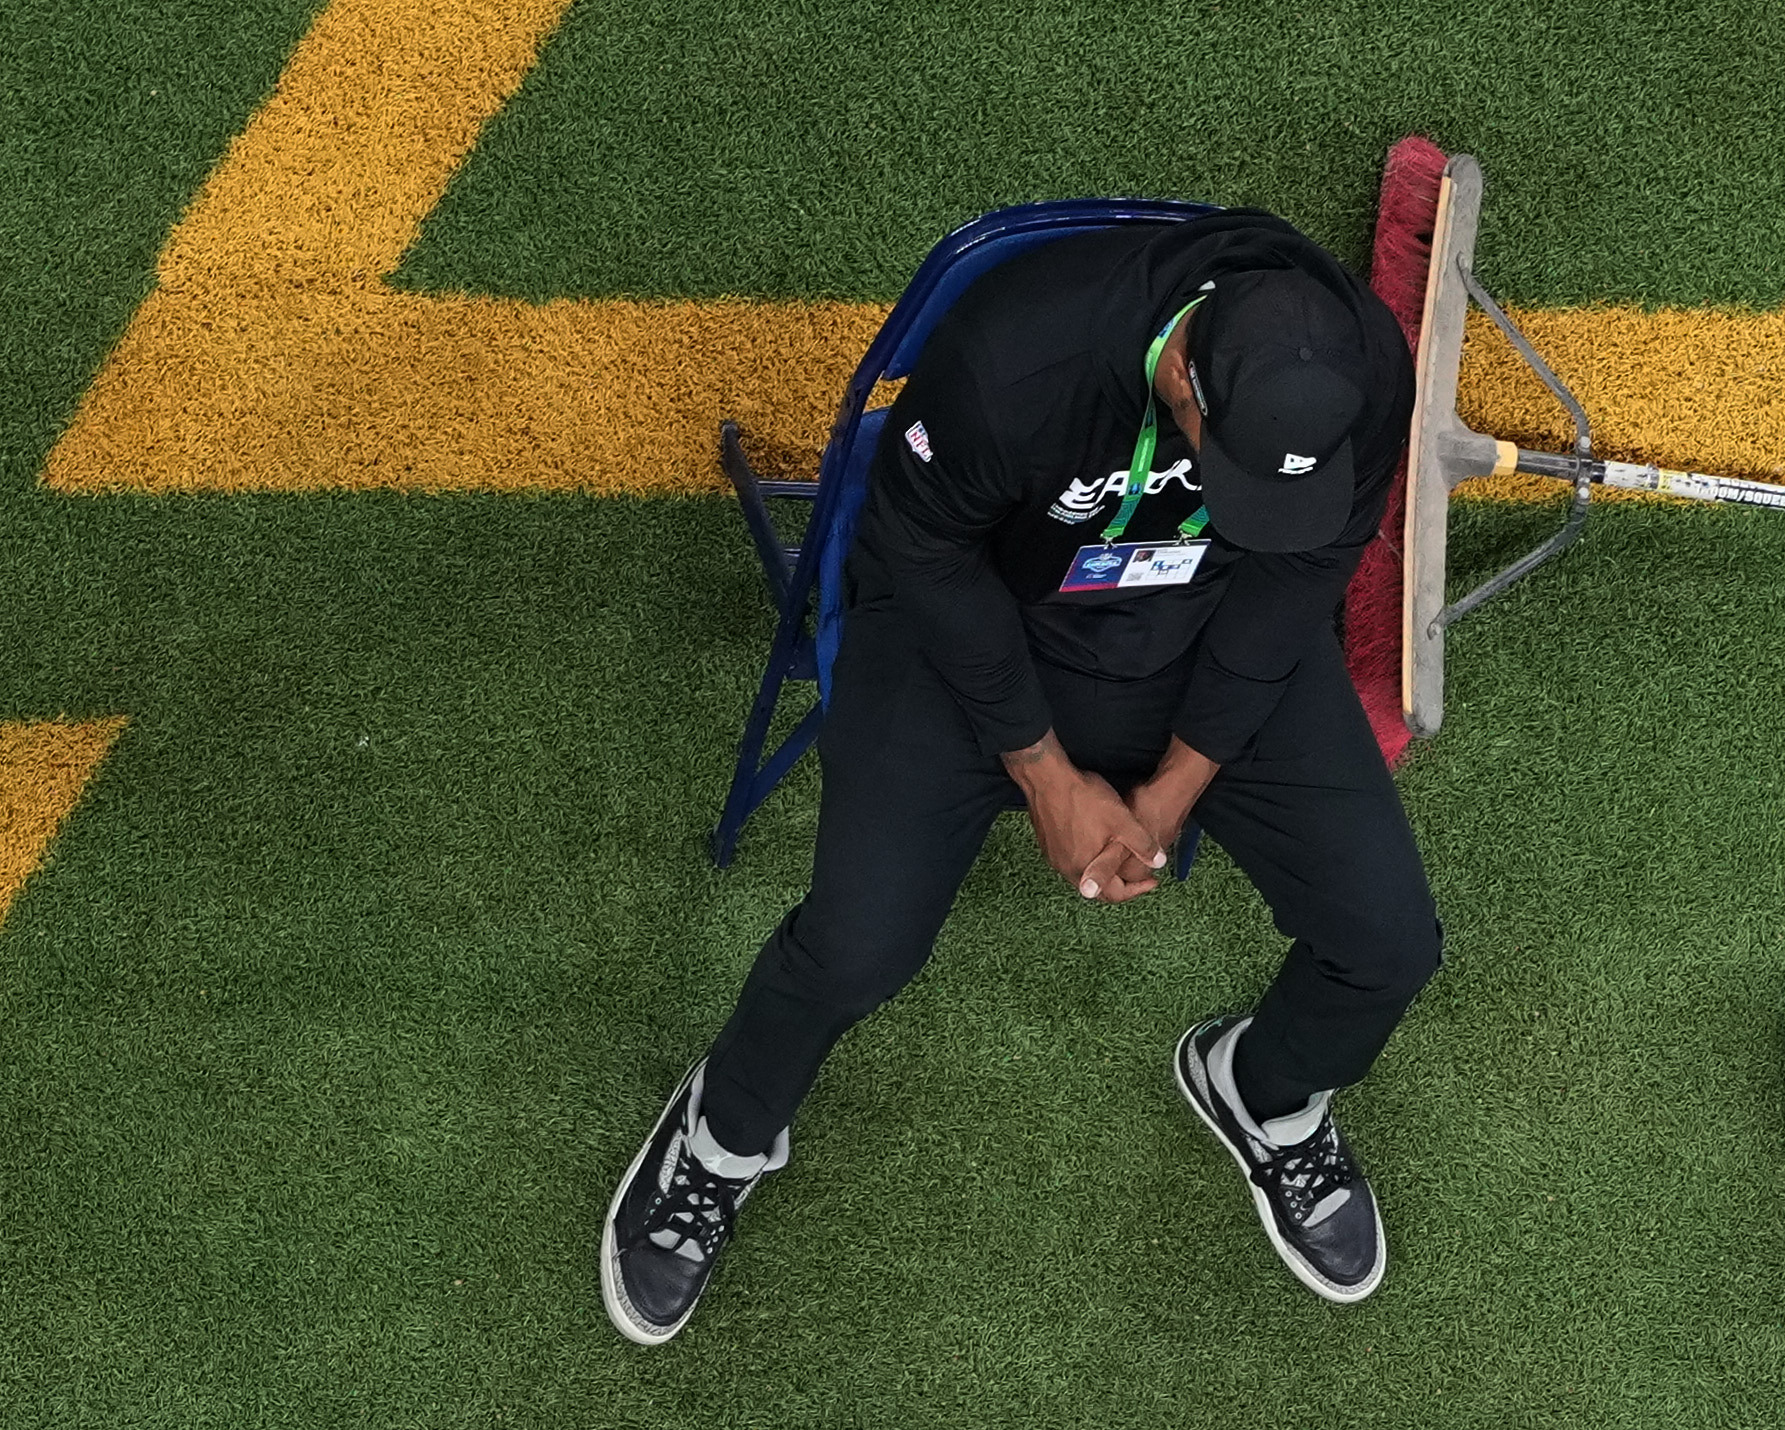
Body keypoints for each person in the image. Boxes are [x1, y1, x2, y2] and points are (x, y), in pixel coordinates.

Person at [600, 203, 1433, 1344]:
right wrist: (1046, 772)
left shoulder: (1365, 370)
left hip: (1199, 632)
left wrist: (1176, 784)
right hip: (974, 626)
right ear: (1186, 381)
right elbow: (919, 548)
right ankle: (722, 1133)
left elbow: (1295, 581)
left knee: (1390, 940)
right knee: (857, 943)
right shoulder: (1019, 351)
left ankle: (1265, 1090)